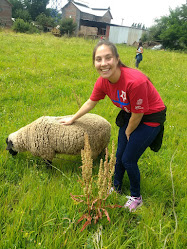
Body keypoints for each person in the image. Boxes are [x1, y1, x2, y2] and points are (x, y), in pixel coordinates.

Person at [60, 40, 166, 212]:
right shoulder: (103, 81)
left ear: (117, 59)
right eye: (98, 59)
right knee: (118, 156)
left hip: (150, 118)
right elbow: (91, 102)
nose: (103, 64)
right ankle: (115, 187)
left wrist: (129, 132)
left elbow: (139, 114)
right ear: (94, 62)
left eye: (108, 58)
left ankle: (136, 197)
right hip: (131, 114)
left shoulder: (134, 81)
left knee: (128, 159)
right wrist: (72, 118)